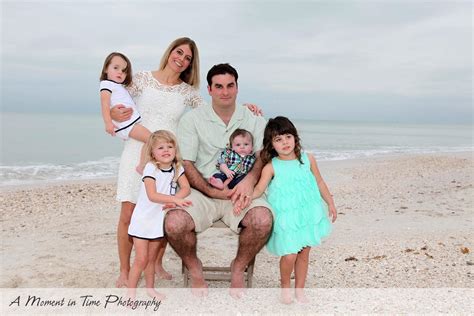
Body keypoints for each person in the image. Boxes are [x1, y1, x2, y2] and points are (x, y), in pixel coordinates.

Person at [109, 37, 262, 288]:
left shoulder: (187, 91)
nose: (181, 58)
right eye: (178, 52)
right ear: (170, 52)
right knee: (129, 213)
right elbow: (116, 100)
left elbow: (215, 106)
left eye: (188, 57)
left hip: (168, 157)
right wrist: (114, 113)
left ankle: (156, 264)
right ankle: (125, 270)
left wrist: (242, 107)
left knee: (163, 210)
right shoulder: (142, 79)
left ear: (191, 64)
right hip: (138, 148)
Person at [168, 63, 273, 298]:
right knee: (174, 223)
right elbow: (187, 163)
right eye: (219, 86)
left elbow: (262, 155)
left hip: (242, 191)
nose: (225, 92)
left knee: (263, 220)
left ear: (237, 88)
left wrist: (250, 181)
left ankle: (239, 266)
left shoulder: (253, 118)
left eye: (230, 86)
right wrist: (210, 191)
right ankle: (195, 269)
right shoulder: (192, 119)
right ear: (209, 89)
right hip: (202, 189)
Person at [252, 116, 337, 304]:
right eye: (278, 139)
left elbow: (320, 182)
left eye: (288, 137)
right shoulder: (271, 166)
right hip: (286, 217)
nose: (285, 143)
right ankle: (285, 286)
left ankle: (300, 290)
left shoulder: (308, 160)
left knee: (304, 253)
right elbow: (259, 189)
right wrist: (245, 198)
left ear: (295, 138)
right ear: (271, 144)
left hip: (307, 213)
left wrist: (330, 202)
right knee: (289, 254)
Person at [127, 130, 192, 300]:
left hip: (158, 220)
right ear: (152, 152)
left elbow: (186, 188)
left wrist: (174, 200)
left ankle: (150, 289)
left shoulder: (177, 168)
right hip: (143, 220)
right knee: (140, 259)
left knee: (151, 258)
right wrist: (174, 200)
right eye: (160, 147)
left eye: (169, 146)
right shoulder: (151, 168)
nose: (165, 150)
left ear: (175, 149)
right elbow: (152, 195)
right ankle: (130, 294)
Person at [99, 52, 150, 173]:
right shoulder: (106, 84)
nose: (120, 72)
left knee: (151, 139)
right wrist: (108, 123)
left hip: (128, 124)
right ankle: (142, 166)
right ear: (106, 68)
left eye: (124, 70)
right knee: (151, 138)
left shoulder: (119, 86)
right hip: (127, 124)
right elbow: (105, 104)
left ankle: (145, 163)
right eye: (116, 68)